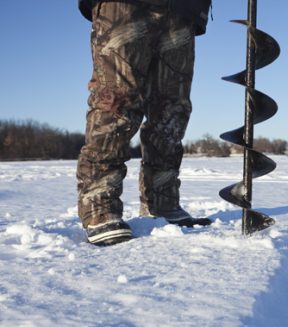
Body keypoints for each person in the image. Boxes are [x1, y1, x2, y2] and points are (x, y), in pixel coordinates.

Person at [77, 0, 212, 246]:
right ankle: (100, 204)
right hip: (124, 5)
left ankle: (163, 201)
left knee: (172, 109)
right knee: (116, 100)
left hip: (183, 9)